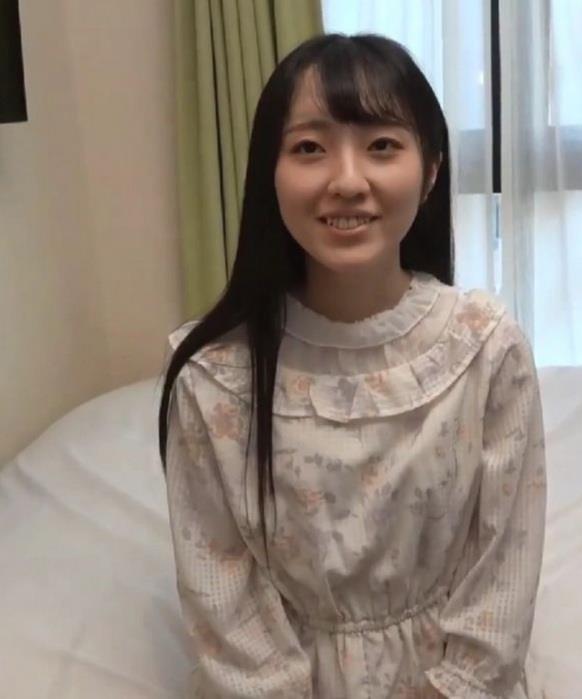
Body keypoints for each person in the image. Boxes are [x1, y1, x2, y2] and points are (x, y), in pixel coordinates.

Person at [158, 32, 547, 699]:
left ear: (430, 172)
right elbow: (222, 596)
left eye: (382, 145)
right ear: (270, 173)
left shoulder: (486, 347)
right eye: (309, 148)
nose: (346, 181)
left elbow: (503, 572)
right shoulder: (213, 374)